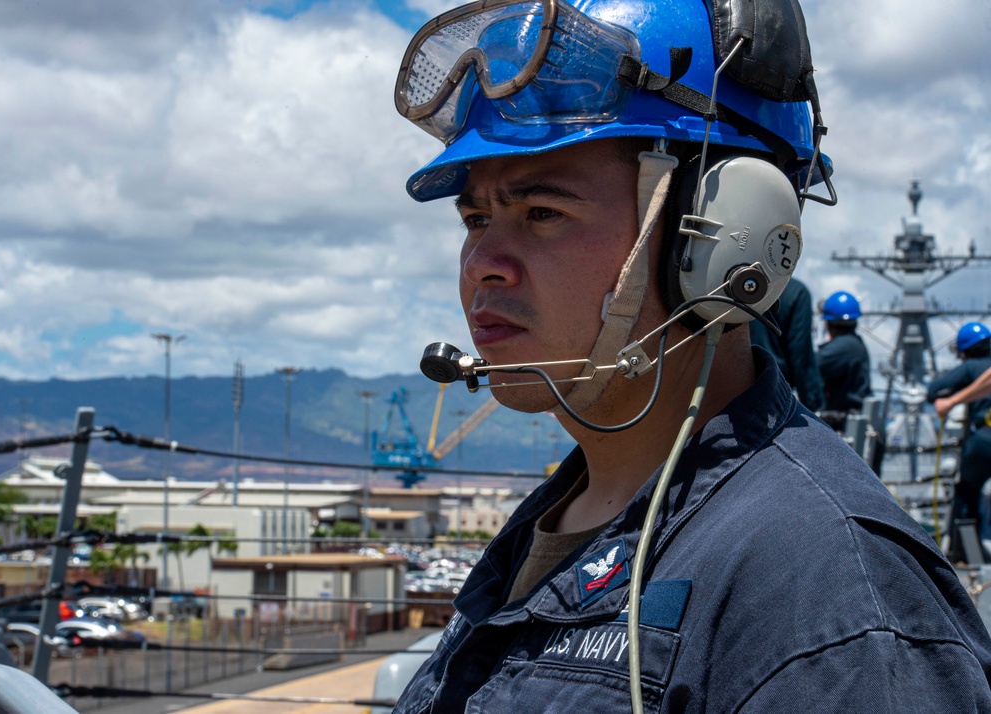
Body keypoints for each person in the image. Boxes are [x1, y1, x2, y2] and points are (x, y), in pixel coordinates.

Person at [391, 0, 991, 710]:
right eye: (476, 218)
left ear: (722, 236)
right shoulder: (561, 522)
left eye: (543, 212)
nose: (483, 263)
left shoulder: (825, 589)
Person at [928, 321, 991, 535]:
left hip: (985, 439)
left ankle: (967, 554)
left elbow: (934, 390)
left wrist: (952, 399)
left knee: (967, 493)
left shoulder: (970, 367)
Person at [749, 276, 825, 411]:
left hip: (721, 395)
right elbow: (801, 358)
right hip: (773, 398)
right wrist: (814, 406)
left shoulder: (722, 284)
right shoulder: (796, 292)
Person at [817, 290, 873, 417]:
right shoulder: (854, 343)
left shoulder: (843, 347)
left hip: (844, 419)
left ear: (829, 324)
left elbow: (810, 366)